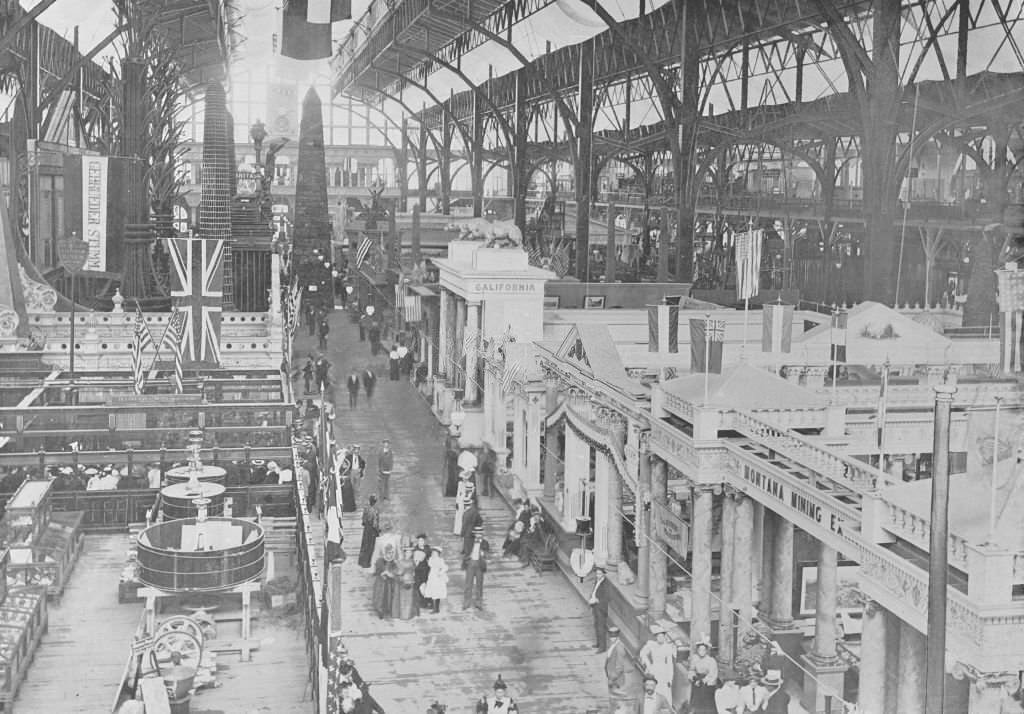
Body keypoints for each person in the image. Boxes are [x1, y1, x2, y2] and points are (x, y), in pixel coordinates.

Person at [638, 625, 677, 704]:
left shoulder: (667, 647)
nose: (660, 638)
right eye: (658, 636)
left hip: (664, 671)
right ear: (656, 637)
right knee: (654, 689)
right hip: (654, 670)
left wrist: (670, 678)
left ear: (664, 637)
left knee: (665, 691)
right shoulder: (652, 645)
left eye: (662, 636)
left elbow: (670, 664)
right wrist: (649, 665)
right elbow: (642, 653)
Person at [689, 636, 719, 714]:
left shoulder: (711, 660)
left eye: (703, 650)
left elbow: (713, 674)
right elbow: (691, 670)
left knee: (707, 702)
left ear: (706, 650)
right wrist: (694, 677)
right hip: (697, 680)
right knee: (696, 701)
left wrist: (702, 680)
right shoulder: (695, 658)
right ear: (697, 650)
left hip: (707, 683)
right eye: (700, 650)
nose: (701, 651)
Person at [462, 524, 489, 611]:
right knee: (468, 584)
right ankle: (466, 603)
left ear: (482, 534)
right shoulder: (469, 541)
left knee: (479, 585)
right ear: (474, 534)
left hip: (479, 565)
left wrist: (483, 553)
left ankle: (478, 603)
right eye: (477, 533)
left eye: (480, 533)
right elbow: (465, 552)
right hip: (470, 563)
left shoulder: (485, 543)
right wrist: (467, 559)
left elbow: (487, 553)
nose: (478, 535)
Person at [605, 626, 631, 712]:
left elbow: (619, 667)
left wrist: (612, 678)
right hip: (612, 677)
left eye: (614, 636)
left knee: (617, 702)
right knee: (614, 700)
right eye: (611, 636)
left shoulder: (619, 647)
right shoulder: (614, 645)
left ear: (617, 636)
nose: (612, 638)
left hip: (616, 679)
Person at [371, 542, 399, 618]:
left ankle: (387, 609)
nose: (390, 554)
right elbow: (377, 570)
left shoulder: (393, 562)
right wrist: (382, 573)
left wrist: (390, 573)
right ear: (385, 553)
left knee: (389, 595)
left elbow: (395, 571)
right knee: (380, 596)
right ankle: (380, 611)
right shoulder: (380, 560)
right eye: (389, 553)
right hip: (381, 582)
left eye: (392, 553)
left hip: (389, 582)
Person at [589, 566, 611, 651]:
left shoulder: (606, 584)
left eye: (599, 574)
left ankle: (602, 647)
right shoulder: (597, 581)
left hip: (601, 609)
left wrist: (597, 600)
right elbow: (594, 591)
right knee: (596, 625)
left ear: (603, 574)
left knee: (601, 627)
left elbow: (608, 597)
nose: (598, 575)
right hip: (595, 607)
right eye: (597, 573)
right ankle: (598, 643)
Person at [421, 546, 448, 613]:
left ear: (438, 554)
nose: (434, 554)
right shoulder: (431, 559)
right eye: (433, 553)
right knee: (433, 592)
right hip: (432, 577)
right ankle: (435, 608)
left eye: (435, 553)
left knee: (437, 592)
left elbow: (445, 567)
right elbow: (430, 565)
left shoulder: (440, 560)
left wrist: (440, 572)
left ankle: (436, 609)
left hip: (438, 578)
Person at [396, 546, 419, 620]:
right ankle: (403, 615)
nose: (409, 554)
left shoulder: (412, 561)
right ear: (404, 553)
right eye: (407, 552)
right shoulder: (400, 561)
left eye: (410, 552)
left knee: (409, 598)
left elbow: (414, 571)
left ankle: (408, 615)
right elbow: (399, 572)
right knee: (403, 598)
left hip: (411, 580)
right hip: (403, 580)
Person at [357, 495, 381, 568]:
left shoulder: (366, 509)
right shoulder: (375, 510)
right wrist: (377, 531)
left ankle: (362, 562)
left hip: (366, 529)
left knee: (364, 545)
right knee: (370, 546)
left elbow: (363, 521)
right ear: (375, 502)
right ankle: (367, 563)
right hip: (372, 531)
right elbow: (375, 523)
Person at [412, 533, 432, 606]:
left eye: (422, 541)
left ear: (424, 541)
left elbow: (430, 558)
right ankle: (421, 601)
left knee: (426, 584)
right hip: (418, 570)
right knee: (418, 585)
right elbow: (414, 561)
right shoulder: (415, 549)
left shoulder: (428, 548)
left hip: (426, 570)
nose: (421, 542)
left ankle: (427, 600)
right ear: (417, 541)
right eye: (419, 541)